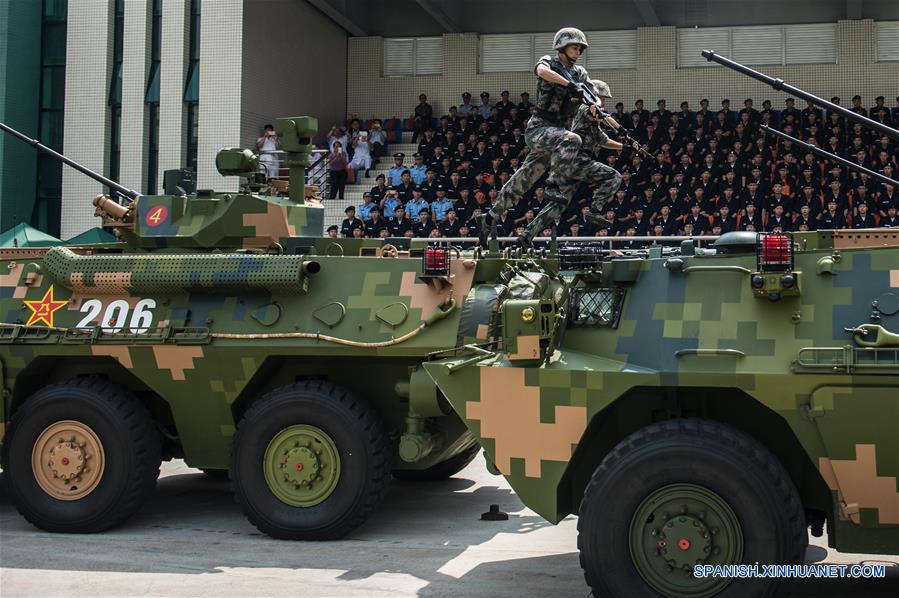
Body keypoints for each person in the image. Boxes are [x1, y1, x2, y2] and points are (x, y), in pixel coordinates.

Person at [484, 27, 592, 238]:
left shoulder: (580, 73)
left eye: (580, 48)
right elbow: (541, 71)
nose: (578, 51)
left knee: (524, 178)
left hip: (556, 133)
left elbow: (591, 94)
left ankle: (489, 216)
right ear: (562, 46)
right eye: (574, 47)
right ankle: (552, 184)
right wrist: (569, 85)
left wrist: (596, 105)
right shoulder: (549, 62)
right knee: (573, 139)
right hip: (539, 128)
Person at [522, 79, 641, 245]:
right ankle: (595, 209)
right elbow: (604, 116)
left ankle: (528, 234)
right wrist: (622, 130)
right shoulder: (586, 109)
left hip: (572, 163)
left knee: (558, 205)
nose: (604, 102)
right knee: (614, 177)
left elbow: (603, 140)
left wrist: (625, 146)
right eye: (602, 98)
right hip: (577, 159)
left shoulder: (592, 120)